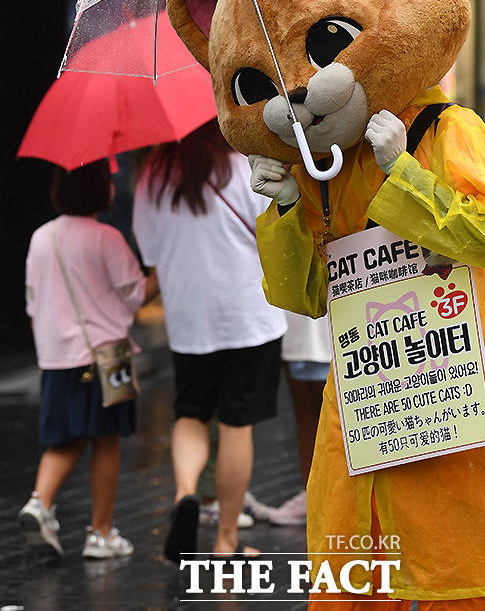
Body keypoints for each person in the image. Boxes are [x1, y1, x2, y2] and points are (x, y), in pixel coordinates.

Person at [132, 119, 287, 562]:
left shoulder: (154, 176)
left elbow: (152, 256)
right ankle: (225, 541)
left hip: (189, 319)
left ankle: (185, 493)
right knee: (237, 424)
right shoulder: (245, 168)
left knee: (191, 413)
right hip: (249, 316)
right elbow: (273, 234)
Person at [18, 160, 158, 558]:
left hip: (56, 360)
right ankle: (101, 532)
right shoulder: (106, 237)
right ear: (99, 190)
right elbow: (135, 295)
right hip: (107, 358)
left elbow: (31, 302)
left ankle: (39, 502)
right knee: (107, 441)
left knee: (65, 437)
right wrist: (161, 273)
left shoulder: (40, 237)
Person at [269, 313, 331, 526]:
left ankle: (349, 498)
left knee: (342, 419)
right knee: (305, 411)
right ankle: (311, 494)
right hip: (294, 317)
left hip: (346, 312)